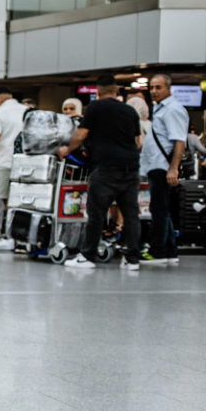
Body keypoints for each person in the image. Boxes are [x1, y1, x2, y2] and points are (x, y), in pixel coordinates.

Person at [58, 81, 143, 271]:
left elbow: (80, 135)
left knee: (96, 213)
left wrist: (67, 149)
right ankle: (132, 259)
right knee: (130, 214)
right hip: (130, 168)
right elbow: (138, 142)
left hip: (106, 167)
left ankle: (88, 255)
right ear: (116, 91)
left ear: (98, 91)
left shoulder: (95, 107)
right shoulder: (130, 111)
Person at [141, 73, 189, 266]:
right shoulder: (160, 109)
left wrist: (173, 168)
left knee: (159, 209)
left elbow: (179, 141)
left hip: (163, 166)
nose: (154, 91)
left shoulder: (172, 110)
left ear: (168, 88)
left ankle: (158, 251)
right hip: (156, 165)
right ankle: (169, 250)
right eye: (151, 87)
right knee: (162, 209)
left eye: (158, 87)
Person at [0, 88, 27, 220]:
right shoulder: (26, 110)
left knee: (6, 199)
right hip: (26, 162)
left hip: (4, 160)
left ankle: (10, 229)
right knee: (23, 198)